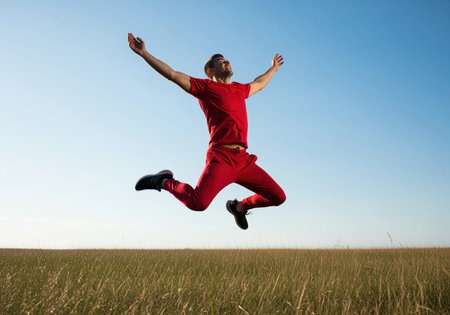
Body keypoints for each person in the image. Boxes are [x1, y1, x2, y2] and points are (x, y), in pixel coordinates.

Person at [128, 33, 286, 230]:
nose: (227, 62)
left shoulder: (240, 89)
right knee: (198, 203)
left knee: (278, 197)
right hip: (221, 158)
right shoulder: (205, 87)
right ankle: (164, 181)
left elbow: (260, 83)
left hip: (243, 160)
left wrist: (273, 68)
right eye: (221, 61)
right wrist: (144, 54)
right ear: (211, 70)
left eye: (227, 60)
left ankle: (239, 207)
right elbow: (173, 74)